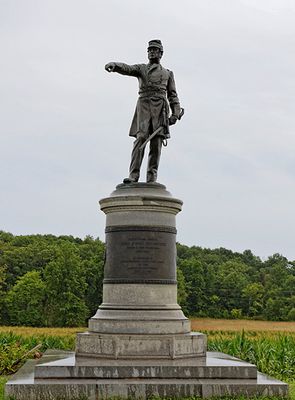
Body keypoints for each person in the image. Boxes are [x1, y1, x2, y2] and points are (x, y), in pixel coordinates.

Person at [105, 39, 182, 183]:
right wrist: (115, 65)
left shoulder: (168, 73)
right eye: (150, 50)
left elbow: (173, 95)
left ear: (161, 53)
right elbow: (127, 68)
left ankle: (152, 177)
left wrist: (175, 113)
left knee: (156, 144)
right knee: (140, 138)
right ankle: (133, 175)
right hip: (144, 107)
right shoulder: (141, 69)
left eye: (155, 50)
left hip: (160, 110)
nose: (152, 52)